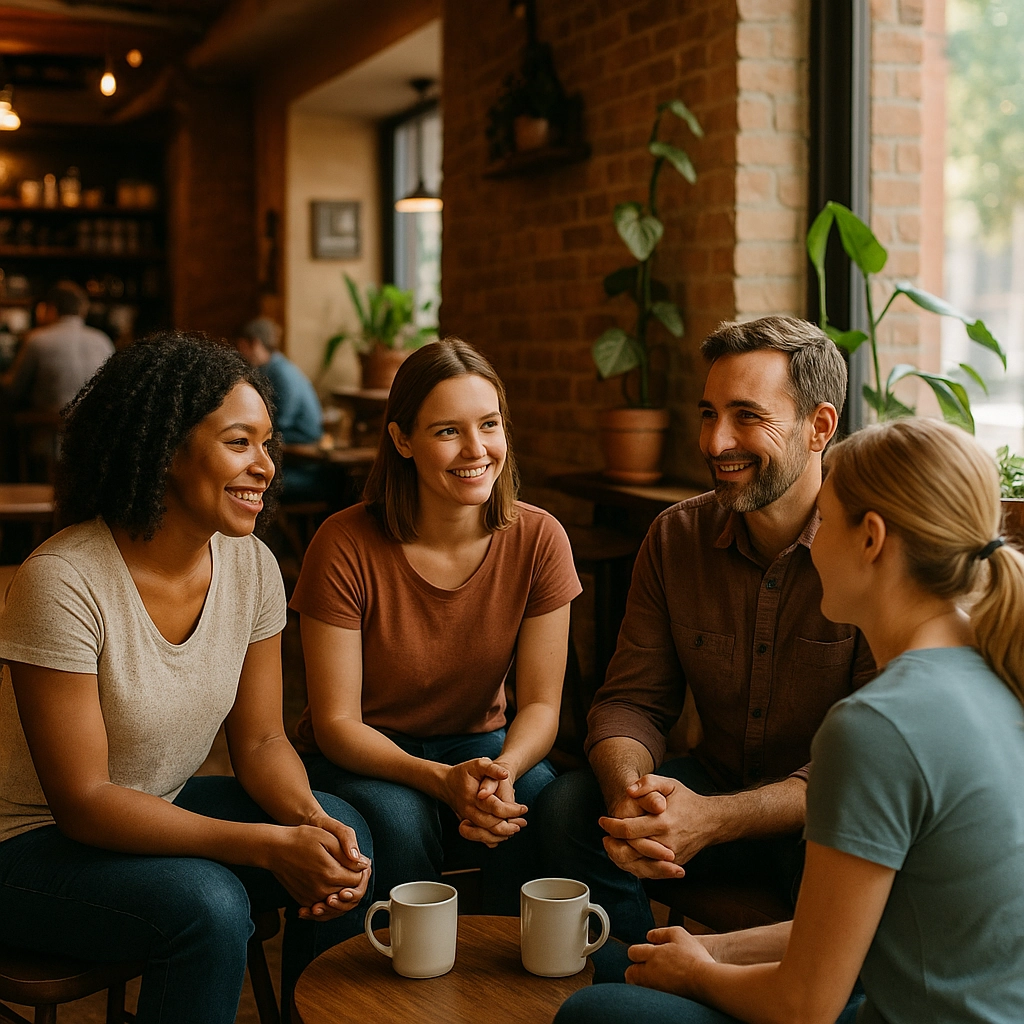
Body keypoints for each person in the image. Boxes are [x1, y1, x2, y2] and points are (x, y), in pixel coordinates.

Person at [555, 416, 1024, 1024]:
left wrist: (700, 976)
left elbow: (805, 1006)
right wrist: (710, 952)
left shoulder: (880, 725)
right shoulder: (998, 672)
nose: (811, 538)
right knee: (628, 967)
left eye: (825, 518)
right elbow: (886, 917)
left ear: (871, 539)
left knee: (594, 1013)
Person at [0, 332, 372, 1024]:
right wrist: (266, 843)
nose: (265, 466)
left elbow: (260, 742)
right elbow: (84, 802)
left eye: (268, 444)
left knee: (345, 833)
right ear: (167, 450)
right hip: (29, 849)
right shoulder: (64, 580)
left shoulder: (252, 564)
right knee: (208, 905)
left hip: (155, 812)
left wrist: (308, 822)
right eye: (239, 443)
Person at [536, 316, 875, 944]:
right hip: (704, 793)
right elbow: (631, 701)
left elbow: (868, 775)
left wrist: (715, 819)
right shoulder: (676, 536)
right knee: (568, 810)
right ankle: (638, 980)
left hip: (820, 820)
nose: (716, 442)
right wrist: (632, 797)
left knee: (851, 855)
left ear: (819, 426)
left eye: (747, 416)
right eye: (708, 413)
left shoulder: (869, 551)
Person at [291, 337, 582, 914]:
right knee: (401, 821)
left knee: (537, 804)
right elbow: (336, 723)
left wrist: (505, 771)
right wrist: (437, 779)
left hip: (485, 743)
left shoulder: (540, 538)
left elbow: (543, 707)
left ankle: (501, 983)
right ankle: (398, 994)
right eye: (448, 431)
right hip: (367, 748)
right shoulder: (344, 544)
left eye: (490, 424)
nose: (476, 449)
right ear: (402, 440)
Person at [0, 280, 113, 412]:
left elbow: (14, 389)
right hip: (91, 425)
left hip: (48, 427)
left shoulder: (37, 339)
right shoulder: (102, 340)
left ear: (51, 308)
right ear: (82, 309)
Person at [236, 316, 322, 445]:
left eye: (242, 346)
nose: (241, 353)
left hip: (301, 438)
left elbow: (283, 419)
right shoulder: (267, 368)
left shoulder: (281, 372)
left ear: (255, 343)